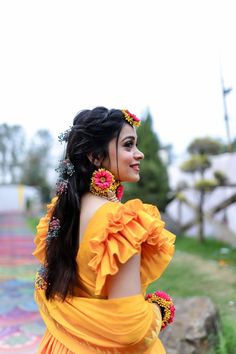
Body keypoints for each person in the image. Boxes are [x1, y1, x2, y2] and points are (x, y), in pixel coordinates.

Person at [33, 107, 176, 354]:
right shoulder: (121, 223)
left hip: (61, 345)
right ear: (94, 157)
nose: (139, 154)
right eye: (128, 145)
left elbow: (49, 288)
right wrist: (158, 310)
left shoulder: (60, 212)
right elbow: (129, 330)